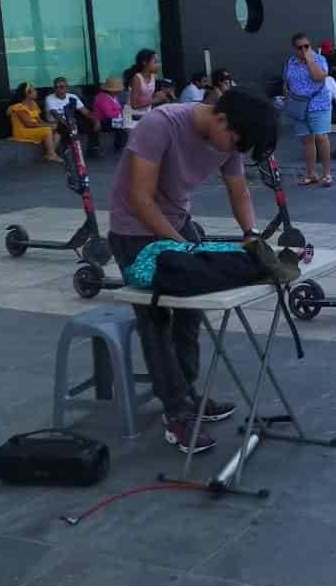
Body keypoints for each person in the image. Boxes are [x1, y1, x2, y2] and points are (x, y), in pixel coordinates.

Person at [108, 90, 278, 454]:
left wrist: (250, 235)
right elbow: (140, 199)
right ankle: (177, 414)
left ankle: (186, 393)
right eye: (234, 142)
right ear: (220, 119)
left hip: (178, 224)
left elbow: (239, 191)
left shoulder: (228, 140)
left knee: (189, 315)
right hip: (134, 232)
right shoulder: (160, 125)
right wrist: (184, 249)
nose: (232, 151)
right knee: (156, 318)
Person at [282, 32, 332, 188]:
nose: (303, 49)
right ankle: (311, 173)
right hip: (299, 104)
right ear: (294, 49)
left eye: (307, 46)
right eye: (300, 47)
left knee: (321, 137)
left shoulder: (319, 59)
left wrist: (310, 60)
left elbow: (319, 77)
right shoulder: (290, 62)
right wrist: (287, 93)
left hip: (318, 104)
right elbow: (286, 80)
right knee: (306, 140)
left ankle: (327, 173)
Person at [43, 76, 101, 153]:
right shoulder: (49, 98)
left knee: (90, 123)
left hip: (70, 122)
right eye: (56, 87)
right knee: (65, 127)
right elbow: (55, 114)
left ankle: (93, 149)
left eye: (61, 87)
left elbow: (86, 112)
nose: (58, 89)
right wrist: (69, 123)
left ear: (67, 88)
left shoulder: (72, 97)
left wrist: (96, 120)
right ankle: (66, 151)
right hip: (56, 124)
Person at [7, 82, 60, 162]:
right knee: (46, 130)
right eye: (34, 90)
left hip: (33, 128)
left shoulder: (34, 104)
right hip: (23, 131)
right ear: (27, 94)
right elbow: (29, 124)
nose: (36, 91)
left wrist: (50, 124)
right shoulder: (18, 107)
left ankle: (49, 154)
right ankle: (52, 155)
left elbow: (39, 120)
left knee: (57, 133)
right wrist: (48, 126)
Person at [125, 49, 171, 119]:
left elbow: (148, 97)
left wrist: (163, 95)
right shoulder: (136, 79)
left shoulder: (153, 77)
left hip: (146, 115)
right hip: (133, 117)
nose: (159, 65)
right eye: (155, 62)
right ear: (144, 63)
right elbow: (134, 105)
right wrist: (155, 99)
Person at [92, 76, 128, 152]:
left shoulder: (113, 96)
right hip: (104, 121)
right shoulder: (102, 97)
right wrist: (120, 112)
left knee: (127, 123)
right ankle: (120, 145)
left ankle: (122, 144)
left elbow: (118, 110)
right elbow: (109, 114)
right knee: (123, 125)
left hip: (113, 119)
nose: (120, 91)